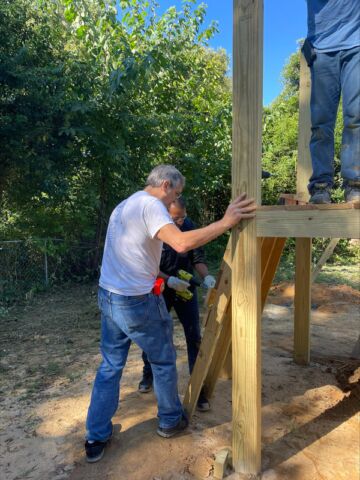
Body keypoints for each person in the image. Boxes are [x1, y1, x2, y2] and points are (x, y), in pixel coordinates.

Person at [84, 164, 256, 463]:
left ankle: (96, 436)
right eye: (175, 194)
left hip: (108, 295)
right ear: (165, 185)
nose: (175, 202)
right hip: (135, 301)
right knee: (163, 361)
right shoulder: (152, 205)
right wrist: (227, 221)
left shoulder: (125, 204)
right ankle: (169, 421)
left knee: (110, 366)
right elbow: (182, 242)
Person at [138, 197, 216, 412]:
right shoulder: (154, 230)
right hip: (161, 287)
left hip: (185, 287)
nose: (181, 221)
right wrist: (168, 280)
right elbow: (147, 266)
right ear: (164, 215)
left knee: (194, 336)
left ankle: (197, 388)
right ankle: (148, 373)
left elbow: (197, 257)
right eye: (176, 218)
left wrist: (207, 277)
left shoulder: (187, 226)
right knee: (155, 335)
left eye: (183, 216)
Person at [303, 0, 360, 204]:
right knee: (320, 125)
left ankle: (355, 185)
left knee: (355, 118)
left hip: (356, 43)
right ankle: (320, 188)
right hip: (322, 47)